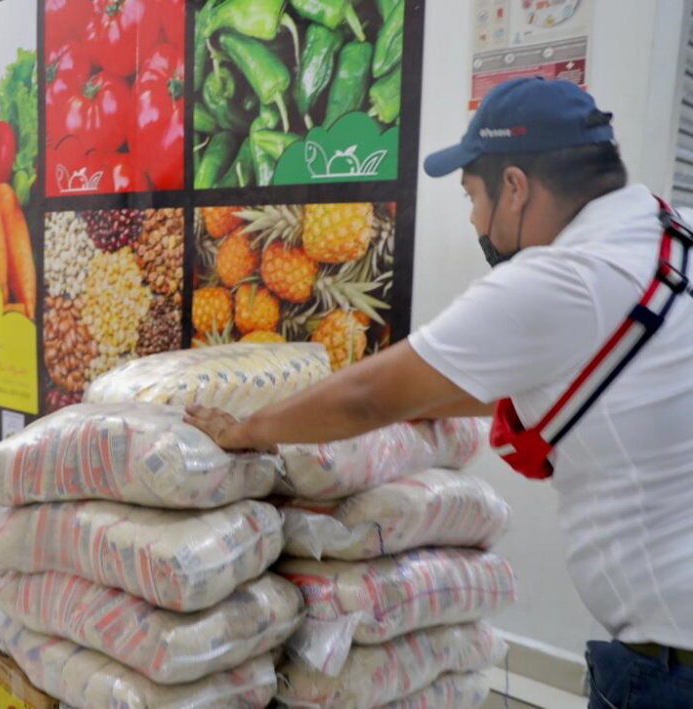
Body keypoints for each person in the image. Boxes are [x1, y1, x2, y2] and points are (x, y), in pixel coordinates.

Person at [185, 77, 693, 708]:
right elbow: (539, 378)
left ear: (515, 187)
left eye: (472, 197)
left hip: (672, 668)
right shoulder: (670, 235)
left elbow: (366, 398)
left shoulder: (564, 277)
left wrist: (244, 431)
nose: (477, 220)